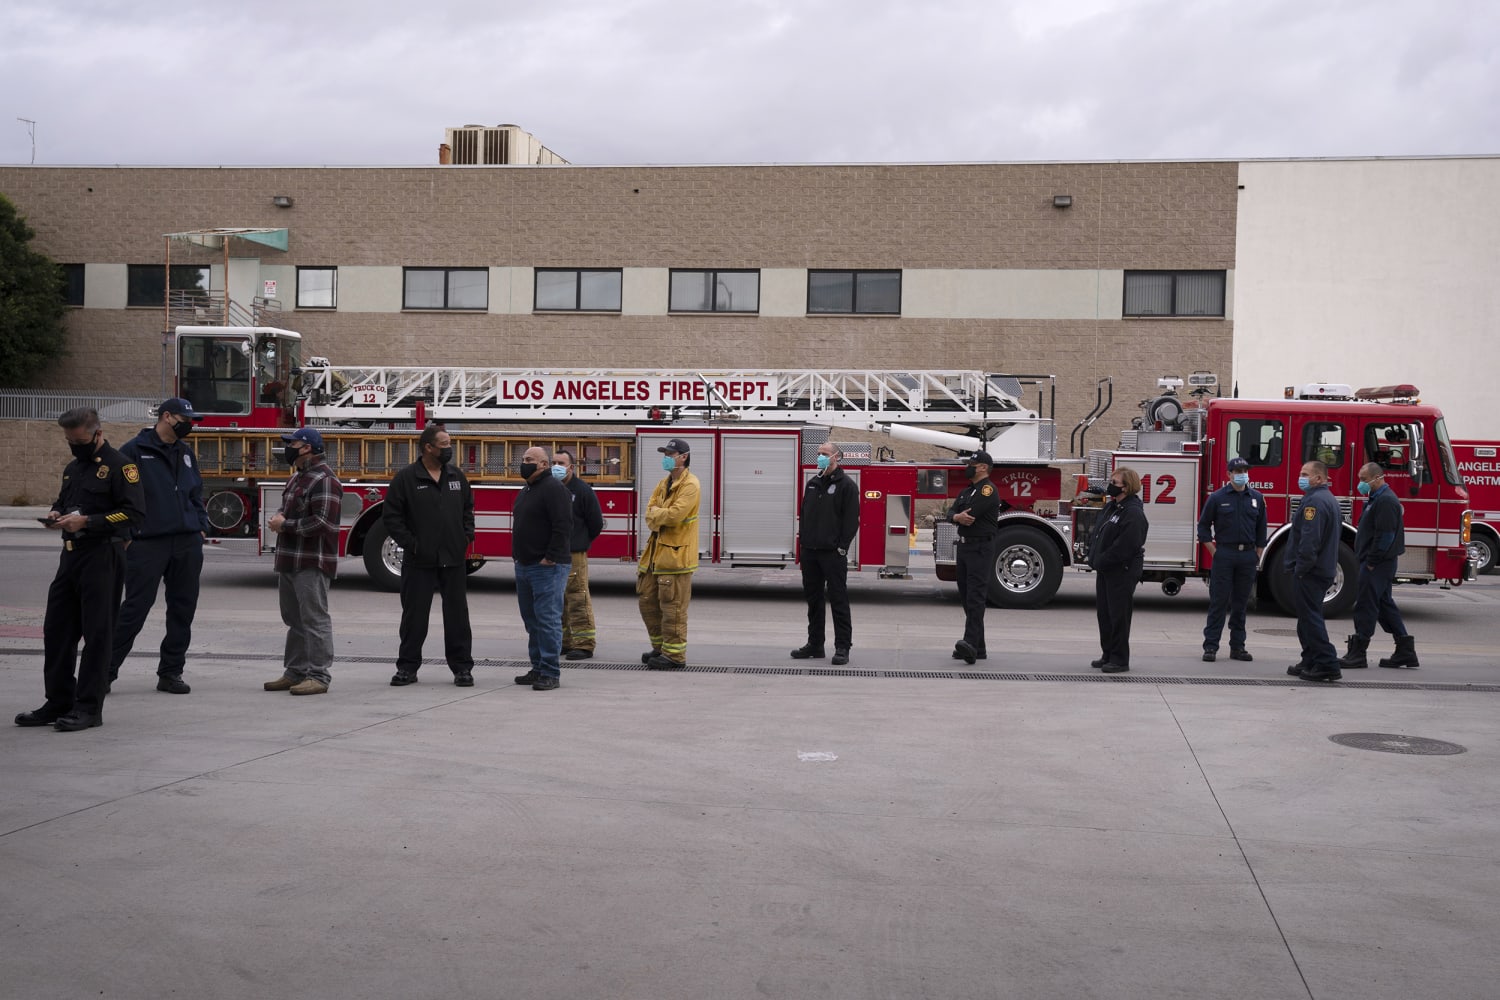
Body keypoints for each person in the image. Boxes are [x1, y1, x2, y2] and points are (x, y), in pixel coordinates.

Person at [16, 408, 144, 732]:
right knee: (57, 631)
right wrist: (56, 513)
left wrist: (88, 521)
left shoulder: (121, 467)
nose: (75, 446)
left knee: (98, 634)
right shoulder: (74, 468)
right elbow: (64, 500)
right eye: (70, 440)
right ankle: (58, 700)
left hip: (102, 557)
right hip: (70, 557)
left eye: (80, 440)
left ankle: (89, 708)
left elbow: (134, 514)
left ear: (98, 434)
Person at [107, 398, 209, 695]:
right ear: (166, 416)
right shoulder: (133, 451)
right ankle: (104, 672)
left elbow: (195, 492)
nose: (190, 424)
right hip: (147, 543)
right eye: (185, 418)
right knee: (135, 609)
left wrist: (200, 525)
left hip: (187, 542)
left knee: (182, 609)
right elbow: (117, 495)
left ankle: (171, 672)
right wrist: (126, 533)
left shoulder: (186, 453)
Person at [384, 425, 476, 687]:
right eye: (445, 444)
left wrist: (465, 536)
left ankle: (462, 669)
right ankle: (407, 668)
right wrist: (412, 545)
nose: (449, 449)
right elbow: (392, 518)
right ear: (428, 447)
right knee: (414, 616)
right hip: (419, 560)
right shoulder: (406, 478)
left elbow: (468, 508)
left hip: (453, 559)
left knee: (458, 616)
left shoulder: (456, 476)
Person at [264, 428, 342, 695]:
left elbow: (323, 522)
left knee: (314, 618)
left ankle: (319, 676)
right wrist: (280, 518)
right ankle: (295, 672)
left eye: (292, 443)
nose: (288, 447)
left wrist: (285, 525)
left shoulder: (325, 480)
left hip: (311, 562)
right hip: (289, 559)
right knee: (294, 619)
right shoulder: (298, 477)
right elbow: (288, 512)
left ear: (307, 447)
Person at [1339, 461, 1419, 670]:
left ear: (1378, 478)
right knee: (1384, 605)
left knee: (1366, 605)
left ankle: (1358, 652)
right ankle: (1405, 651)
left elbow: (1385, 536)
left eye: (1364, 480)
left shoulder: (1385, 501)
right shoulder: (1376, 499)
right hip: (1377, 562)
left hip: (1378, 563)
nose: (1361, 484)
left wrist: (1372, 562)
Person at [792, 441, 860, 665]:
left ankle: (842, 647)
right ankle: (815, 644)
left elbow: (851, 522)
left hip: (832, 554)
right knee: (814, 600)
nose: (820, 457)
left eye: (825, 454)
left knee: (838, 600)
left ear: (836, 457)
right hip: (811, 552)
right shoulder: (812, 483)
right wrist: (804, 545)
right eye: (818, 453)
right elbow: (805, 515)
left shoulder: (846, 486)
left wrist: (841, 548)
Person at [511, 445, 572, 691]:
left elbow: (563, 525)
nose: (523, 463)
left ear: (544, 464)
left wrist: (550, 557)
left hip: (547, 567)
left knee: (547, 620)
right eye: (523, 459)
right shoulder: (528, 488)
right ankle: (537, 668)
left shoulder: (553, 489)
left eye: (529, 459)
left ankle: (550, 672)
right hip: (525, 565)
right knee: (532, 621)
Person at [1196, 456, 1267, 662]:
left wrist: (1258, 554)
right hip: (1224, 554)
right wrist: (1214, 551)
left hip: (1248, 556)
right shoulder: (1217, 497)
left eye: (1245, 470)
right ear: (1229, 474)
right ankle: (1210, 647)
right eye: (1237, 471)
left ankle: (1238, 647)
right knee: (1218, 602)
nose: (1242, 474)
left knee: (1241, 604)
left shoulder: (1256, 497)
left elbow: (1262, 528)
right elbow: (1203, 527)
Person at [639, 438, 701, 670]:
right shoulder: (663, 484)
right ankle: (661, 648)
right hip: (655, 556)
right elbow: (648, 514)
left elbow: (675, 516)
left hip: (676, 558)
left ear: (683, 457)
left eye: (670, 454)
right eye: (665, 453)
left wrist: (658, 514)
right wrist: (658, 514)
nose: (666, 458)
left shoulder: (690, 485)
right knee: (648, 602)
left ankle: (675, 656)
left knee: (672, 608)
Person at [1285, 460, 1343, 682]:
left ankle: (1327, 663)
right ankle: (1310, 659)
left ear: (1318, 478)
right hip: (1321, 569)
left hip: (1312, 572)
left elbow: (1310, 541)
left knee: (1310, 619)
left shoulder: (1315, 503)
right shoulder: (1324, 499)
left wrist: (1301, 568)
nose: (1300, 477)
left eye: (1304, 474)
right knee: (1306, 618)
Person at [1089, 466, 1149, 673]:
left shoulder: (1133, 512)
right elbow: (1099, 533)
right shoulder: (1113, 507)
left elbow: (1127, 545)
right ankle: (1108, 654)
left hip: (1121, 571)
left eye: (1114, 483)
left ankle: (1120, 659)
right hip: (1106, 569)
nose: (1110, 486)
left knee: (1118, 615)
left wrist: (1103, 559)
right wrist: (1094, 557)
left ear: (1127, 486)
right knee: (1104, 615)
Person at [950, 450, 1005, 665]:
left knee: (975, 597)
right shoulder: (968, 491)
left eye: (972, 463)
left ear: (983, 467)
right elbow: (952, 512)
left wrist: (958, 516)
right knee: (966, 596)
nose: (968, 466)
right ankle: (979, 646)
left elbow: (970, 515)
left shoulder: (987, 490)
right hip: (965, 548)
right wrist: (956, 516)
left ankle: (970, 644)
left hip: (980, 548)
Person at [554, 448, 604, 661]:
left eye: (561, 463)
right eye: (553, 462)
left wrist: (580, 541)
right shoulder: (550, 489)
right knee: (557, 600)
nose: (556, 467)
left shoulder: (582, 490)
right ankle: (565, 642)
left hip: (574, 554)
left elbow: (596, 523)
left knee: (577, 598)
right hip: (553, 553)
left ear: (571, 467)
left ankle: (584, 644)